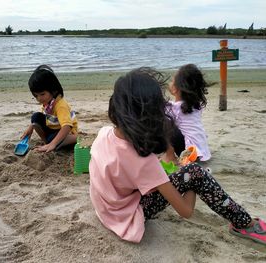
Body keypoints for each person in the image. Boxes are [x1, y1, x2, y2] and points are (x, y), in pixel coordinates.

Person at [89, 67, 266, 244]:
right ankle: (244, 224)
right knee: (196, 173)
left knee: (174, 172)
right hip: (127, 215)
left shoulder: (104, 133)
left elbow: (124, 168)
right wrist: (190, 177)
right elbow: (186, 211)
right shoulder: (145, 162)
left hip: (106, 206)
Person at [21, 65, 78, 152]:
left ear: (53, 90)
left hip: (67, 132)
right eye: (36, 95)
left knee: (53, 140)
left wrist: (53, 143)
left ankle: (74, 138)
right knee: (36, 117)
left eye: (42, 94)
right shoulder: (47, 102)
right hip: (53, 129)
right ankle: (47, 143)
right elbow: (43, 116)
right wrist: (31, 128)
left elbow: (67, 126)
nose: (39, 98)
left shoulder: (60, 105)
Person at [164, 64, 212, 163]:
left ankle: (170, 156)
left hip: (188, 152)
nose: (170, 82)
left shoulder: (176, 108)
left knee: (165, 124)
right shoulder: (195, 105)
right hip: (202, 149)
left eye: (172, 80)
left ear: (177, 88)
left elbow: (161, 110)